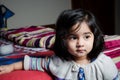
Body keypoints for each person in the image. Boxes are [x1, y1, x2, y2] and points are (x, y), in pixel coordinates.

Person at [0, 9, 119, 80]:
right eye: (73, 37)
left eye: (87, 37)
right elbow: (32, 62)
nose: (80, 43)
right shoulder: (56, 62)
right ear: (63, 39)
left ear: (95, 37)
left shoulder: (105, 63)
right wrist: (11, 67)